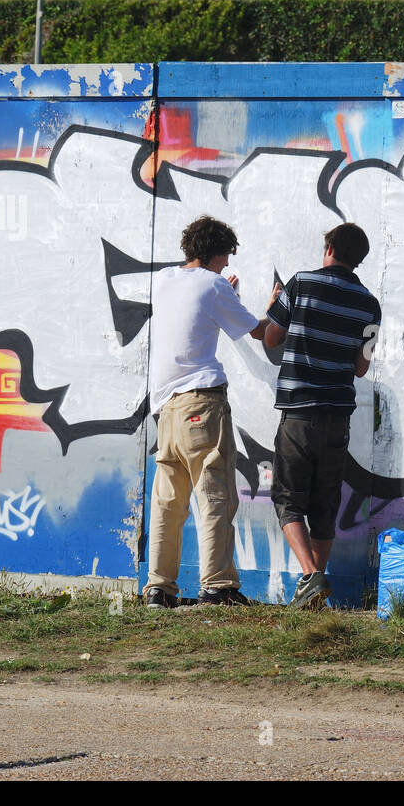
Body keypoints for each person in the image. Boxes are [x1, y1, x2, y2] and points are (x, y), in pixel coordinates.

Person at [144, 216, 280, 609]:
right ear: (217, 252)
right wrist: (268, 309)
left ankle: (159, 588)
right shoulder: (215, 284)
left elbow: (194, 311)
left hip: (166, 408)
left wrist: (224, 295)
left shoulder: (165, 280)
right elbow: (258, 332)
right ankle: (218, 587)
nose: (226, 265)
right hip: (202, 403)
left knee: (168, 502)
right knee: (214, 494)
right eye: (225, 257)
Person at [263, 222, 382, 610]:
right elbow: (361, 369)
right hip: (337, 417)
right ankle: (313, 598)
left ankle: (312, 576)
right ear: (359, 260)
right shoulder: (369, 304)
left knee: (288, 500)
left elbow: (271, 339)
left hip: (298, 414)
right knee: (325, 506)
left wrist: (271, 309)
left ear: (328, 247)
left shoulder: (300, 284)